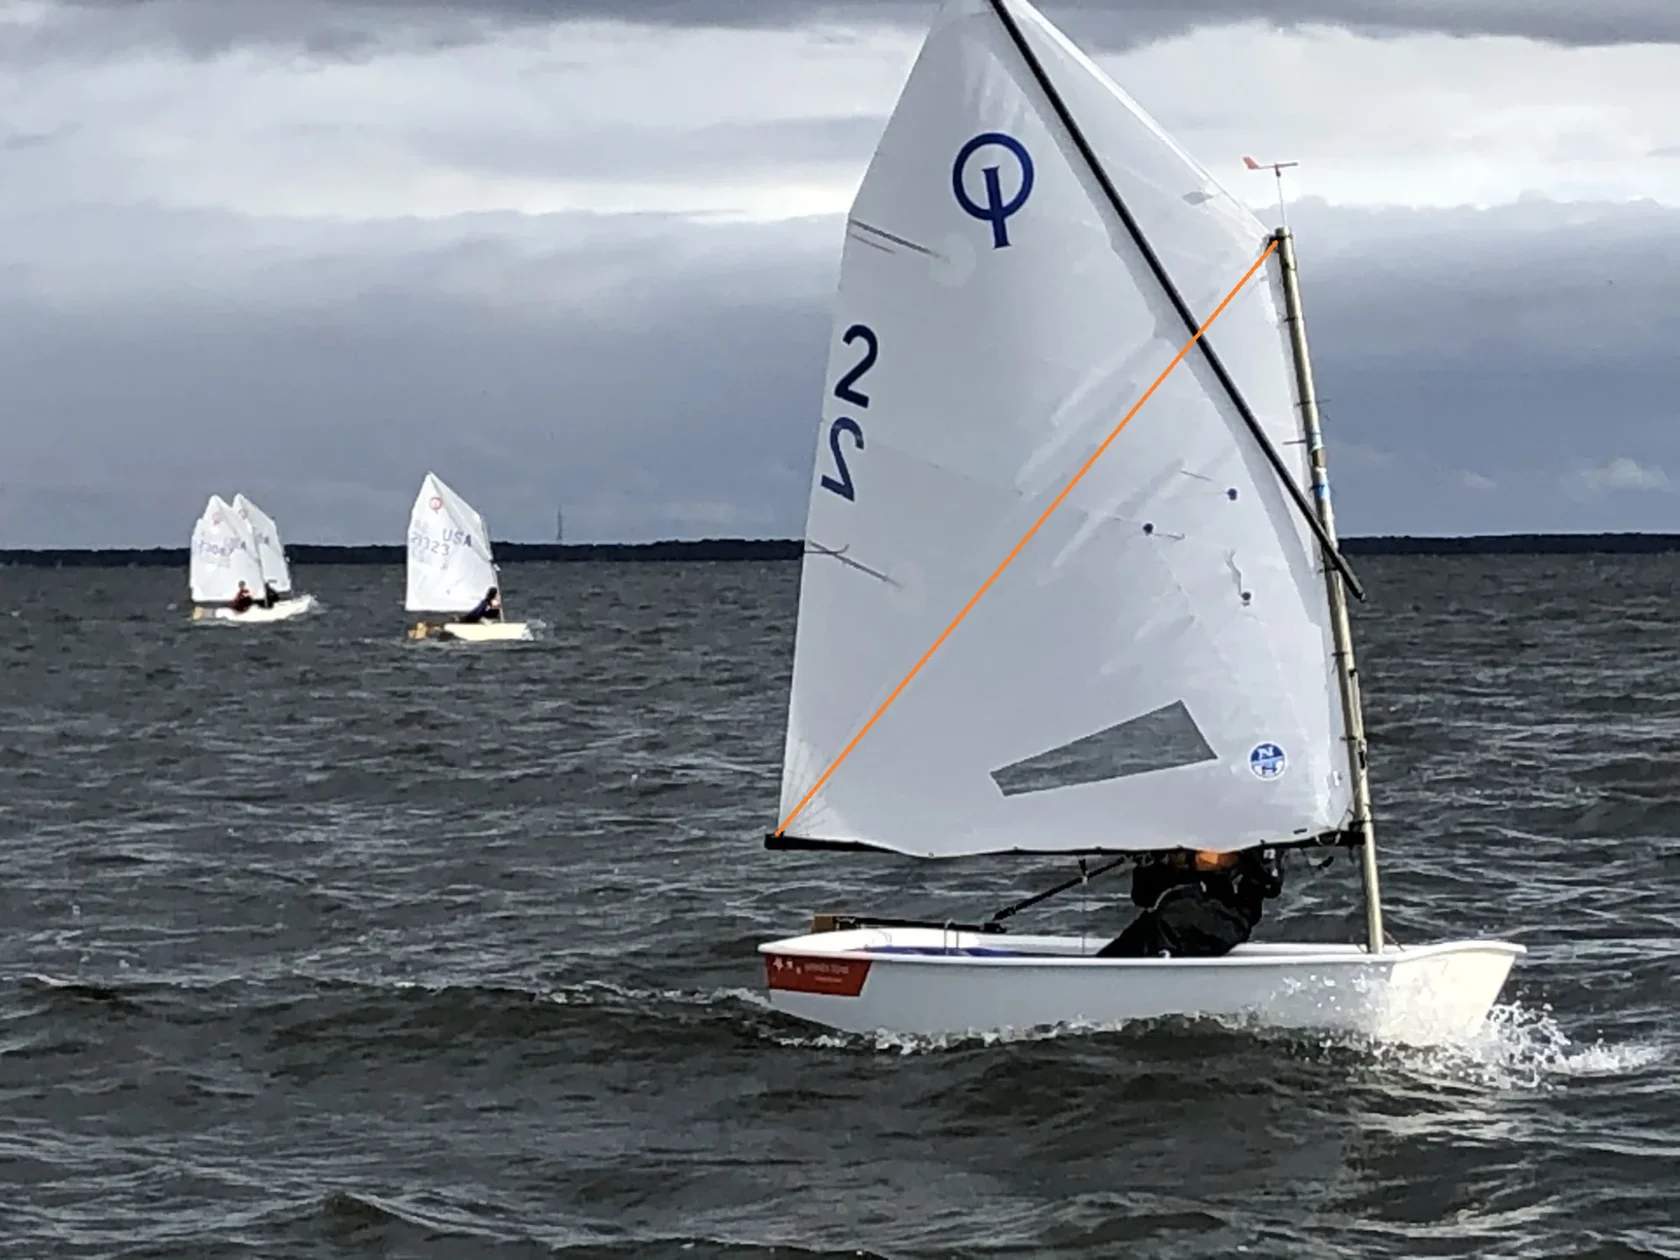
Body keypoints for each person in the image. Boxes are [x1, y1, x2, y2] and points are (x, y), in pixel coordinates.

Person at [1096, 846, 1282, 959]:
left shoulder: (1252, 833)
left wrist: (1209, 861)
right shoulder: (1178, 825)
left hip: (1225, 918)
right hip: (1166, 915)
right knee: (1114, 955)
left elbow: (1269, 883)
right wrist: (1162, 860)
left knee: (1166, 924)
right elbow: (1143, 896)